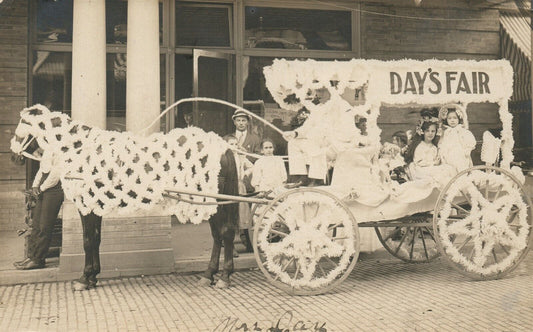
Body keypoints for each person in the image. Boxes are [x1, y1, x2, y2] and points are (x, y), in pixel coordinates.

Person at [14, 153, 64, 270]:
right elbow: (42, 169)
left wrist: (41, 188)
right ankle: (31, 257)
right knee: (36, 224)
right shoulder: (48, 149)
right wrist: (35, 186)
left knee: (44, 226)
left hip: (54, 190)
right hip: (43, 188)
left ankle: (38, 259)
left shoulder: (60, 149)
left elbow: (55, 175)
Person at [406, 121, 453, 186]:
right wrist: (433, 163)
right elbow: (418, 162)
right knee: (440, 172)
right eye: (427, 131)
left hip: (430, 168)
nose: (430, 133)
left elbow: (436, 160)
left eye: (433, 131)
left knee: (448, 169)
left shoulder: (434, 147)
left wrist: (437, 161)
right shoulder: (420, 146)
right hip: (421, 169)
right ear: (423, 132)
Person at [438, 107, 476, 173]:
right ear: (446, 120)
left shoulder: (462, 131)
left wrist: (467, 150)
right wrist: (442, 152)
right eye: (449, 118)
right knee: (449, 169)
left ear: (459, 119)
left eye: (455, 118)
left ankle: (461, 178)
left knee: (461, 167)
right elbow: (442, 143)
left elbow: (470, 142)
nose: (452, 120)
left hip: (460, 154)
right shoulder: (446, 132)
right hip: (448, 154)